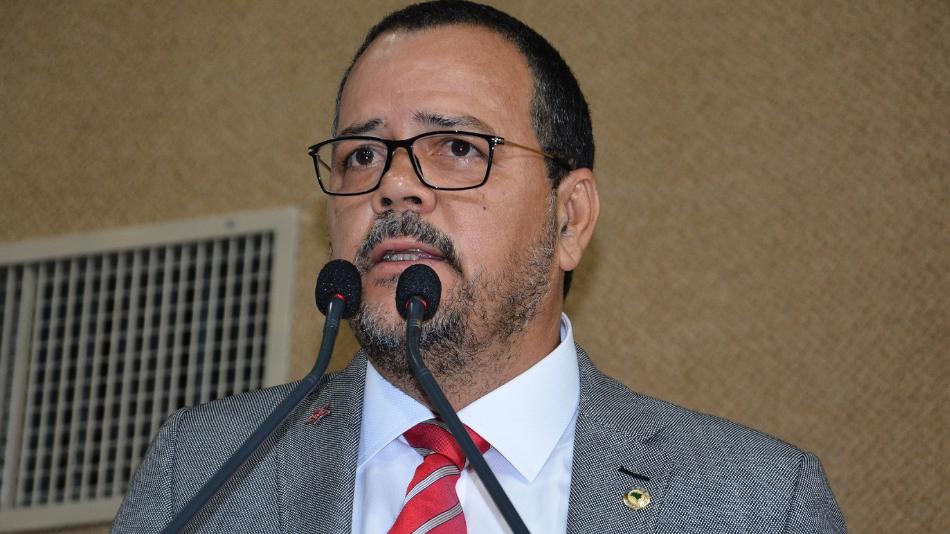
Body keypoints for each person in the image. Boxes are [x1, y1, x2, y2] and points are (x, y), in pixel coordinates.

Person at [114, 1, 846, 532]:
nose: (394, 186)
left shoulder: (757, 504)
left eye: (458, 148)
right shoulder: (201, 475)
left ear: (569, 218)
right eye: (362, 155)